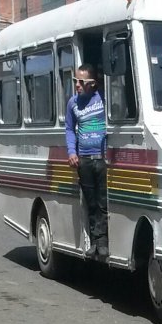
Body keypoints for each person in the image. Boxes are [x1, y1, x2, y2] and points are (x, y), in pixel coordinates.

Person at [65, 64, 109, 259]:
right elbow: (69, 128)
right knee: (90, 203)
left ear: (93, 84)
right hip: (83, 159)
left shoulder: (104, 99)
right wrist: (72, 152)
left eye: (81, 81)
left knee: (103, 202)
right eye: (75, 81)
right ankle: (93, 242)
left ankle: (103, 242)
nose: (77, 85)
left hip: (102, 159)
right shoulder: (72, 103)